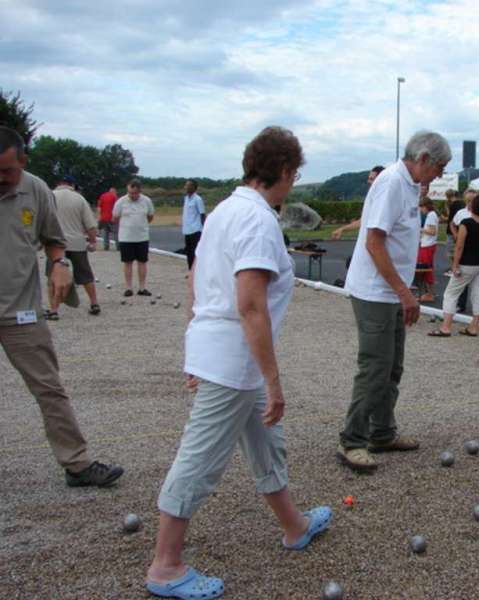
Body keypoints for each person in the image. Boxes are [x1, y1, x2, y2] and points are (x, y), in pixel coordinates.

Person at [146, 127, 331, 600]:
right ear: (286, 172)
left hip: (222, 353)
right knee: (201, 457)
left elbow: (195, 282)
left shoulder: (225, 211)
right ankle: (166, 565)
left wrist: (197, 350)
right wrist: (273, 380)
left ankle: (294, 525)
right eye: (295, 174)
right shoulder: (256, 220)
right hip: (234, 360)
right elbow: (250, 304)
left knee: (266, 442)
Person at [0, 126, 123, 487]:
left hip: (20, 311)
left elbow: (54, 242)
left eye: (7, 171)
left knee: (49, 388)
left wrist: (59, 265)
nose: (1, 178)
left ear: (23, 161)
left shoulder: (35, 189)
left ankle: (78, 464)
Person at [337, 131, 451, 473]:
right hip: (376, 291)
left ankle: (382, 433)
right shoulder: (391, 183)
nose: (441, 175)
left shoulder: (411, 186)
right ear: (424, 159)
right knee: (374, 368)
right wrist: (404, 292)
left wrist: (404, 290)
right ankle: (352, 440)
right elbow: (374, 243)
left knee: (392, 366)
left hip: (391, 290)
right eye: (440, 167)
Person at [429, 193, 479, 337]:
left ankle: (445, 327)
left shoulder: (466, 223)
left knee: (451, 294)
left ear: (473, 206)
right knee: (478, 294)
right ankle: (474, 327)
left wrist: (455, 265)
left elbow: (459, 246)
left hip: (467, 263)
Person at [47, 175, 101, 318]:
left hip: (56, 243)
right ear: (73, 185)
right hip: (77, 243)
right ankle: (94, 303)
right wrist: (93, 241)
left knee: (54, 276)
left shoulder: (49, 196)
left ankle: (54, 310)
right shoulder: (79, 199)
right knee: (85, 275)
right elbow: (90, 224)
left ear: (59, 183)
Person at [112, 179, 155, 297]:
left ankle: (142, 287)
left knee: (142, 262)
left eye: (135, 193)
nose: (132, 195)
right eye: (130, 193)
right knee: (127, 262)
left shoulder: (146, 201)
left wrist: (142, 225)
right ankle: (128, 287)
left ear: (139, 191)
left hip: (142, 237)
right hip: (126, 237)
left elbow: (150, 216)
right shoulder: (121, 202)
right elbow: (115, 218)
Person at [330, 165, 384, 240]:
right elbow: (363, 221)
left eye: (371, 179)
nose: (368, 181)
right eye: (368, 179)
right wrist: (342, 229)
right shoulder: (372, 198)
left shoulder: (384, 202)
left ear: (380, 180)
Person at [416, 197, 439, 302]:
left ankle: (430, 294)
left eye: (421, 207)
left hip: (427, 245)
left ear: (425, 206)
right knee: (427, 269)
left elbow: (432, 231)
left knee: (426, 270)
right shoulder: (432, 215)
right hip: (428, 244)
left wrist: (419, 229)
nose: (421, 210)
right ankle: (429, 293)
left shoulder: (430, 215)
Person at [181, 179, 205, 270]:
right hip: (187, 229)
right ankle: (190, 270)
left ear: (193, 187)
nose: (185, 187)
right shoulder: (186, 198)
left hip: (195, 230)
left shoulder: (198, 199)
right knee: (189, 252)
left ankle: (197, 271)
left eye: (187, 185)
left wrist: (204, 229)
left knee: (195, 252)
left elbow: (202, 214)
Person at [96, 186, 118, 250]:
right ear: (114, 191)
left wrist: (99, 217)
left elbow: (99, 207)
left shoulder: (102, 196)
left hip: (103, 218)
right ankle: (118, 247)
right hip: (112, 218)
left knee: (106, 233)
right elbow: (117, 208)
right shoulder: (114, 197)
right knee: (116, 233)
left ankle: (106, 247)